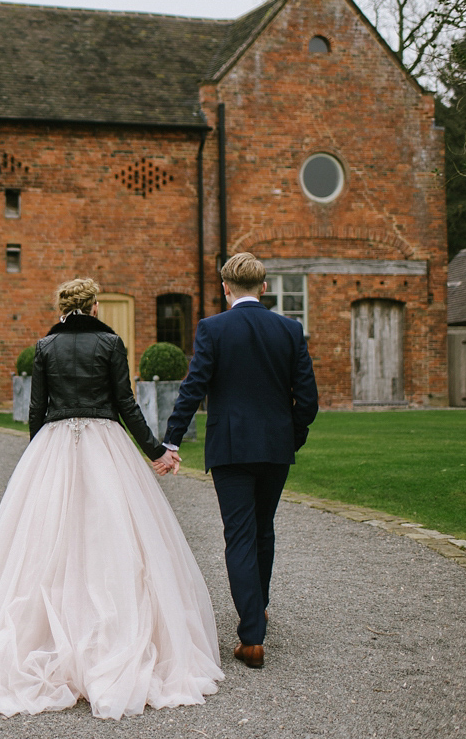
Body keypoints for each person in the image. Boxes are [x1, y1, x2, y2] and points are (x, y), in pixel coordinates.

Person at [0, 278, 224, 720]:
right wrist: (156, 451)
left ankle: (44, 636)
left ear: (65, 306)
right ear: (94, 305)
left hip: (54, 442)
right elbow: (126, 404)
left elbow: (37, 408)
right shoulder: (110, 342)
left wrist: (36, 456)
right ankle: (113, 637)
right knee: (113, 536)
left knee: (44, 540)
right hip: (106, 442)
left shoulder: (45, 346)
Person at [162, 252, 318, 669]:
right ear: (264, 288)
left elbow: (193, 389)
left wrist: (171, 440)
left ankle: (252, 635)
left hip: (230, 449)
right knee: (263, 529)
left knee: (240, 534)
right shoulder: (289, 329)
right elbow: (308, 398)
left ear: (226, 288)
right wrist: (293, 437)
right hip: (275, 448)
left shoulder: (213, 328)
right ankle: (258, 610)